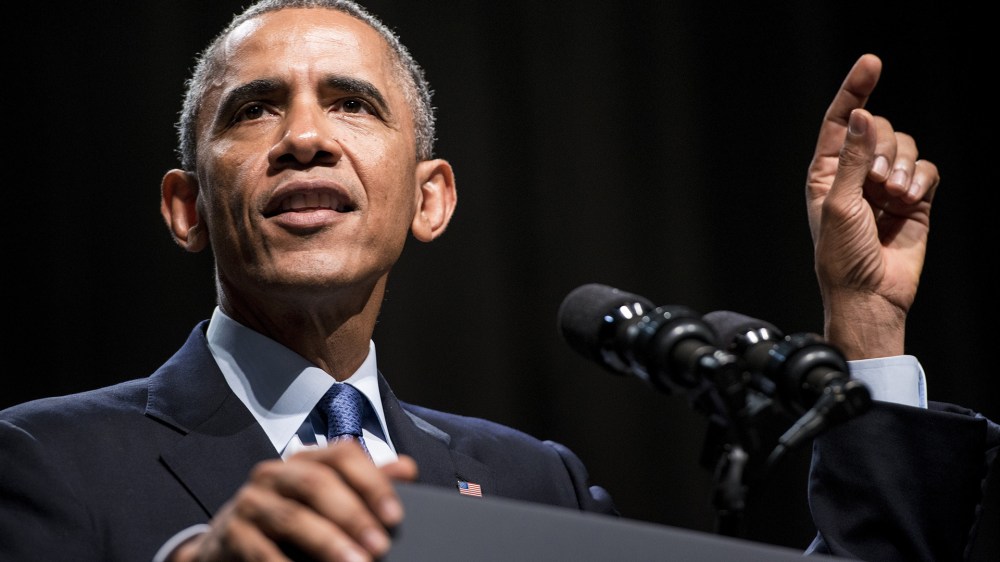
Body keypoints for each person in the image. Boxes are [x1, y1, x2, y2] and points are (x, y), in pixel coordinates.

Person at [0, 1, 993, 561]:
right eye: (255, 110)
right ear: (185, 207)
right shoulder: (41, 459)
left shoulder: (532, 484)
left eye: (351, 104)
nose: (305, 137)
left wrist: (864, 325)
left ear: (430, 198)